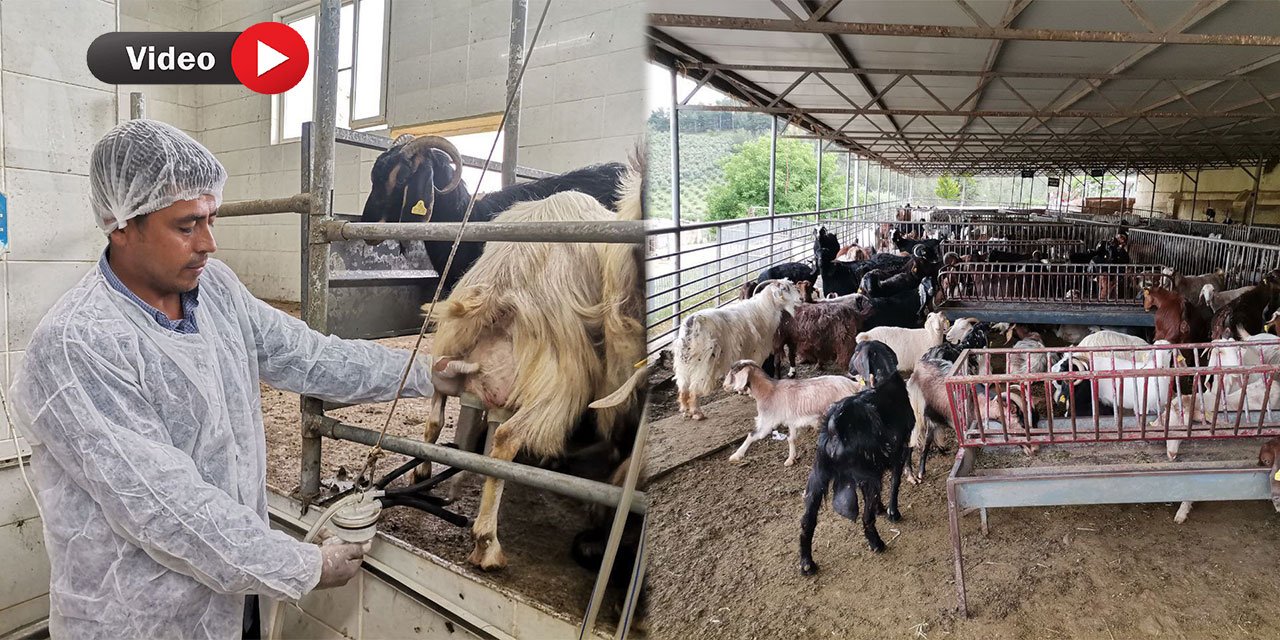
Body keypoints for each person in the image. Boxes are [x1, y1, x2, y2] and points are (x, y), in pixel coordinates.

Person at [9, 119, 474, 639]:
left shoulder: (217, 291)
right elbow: (164, 507)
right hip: (139, 616)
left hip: (234, 595)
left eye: (211, 218)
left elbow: (308, 356)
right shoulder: (79, 343)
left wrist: (425, 373)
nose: (209, 242)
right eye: (187, 226)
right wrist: (305, 567)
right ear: (121, 225)